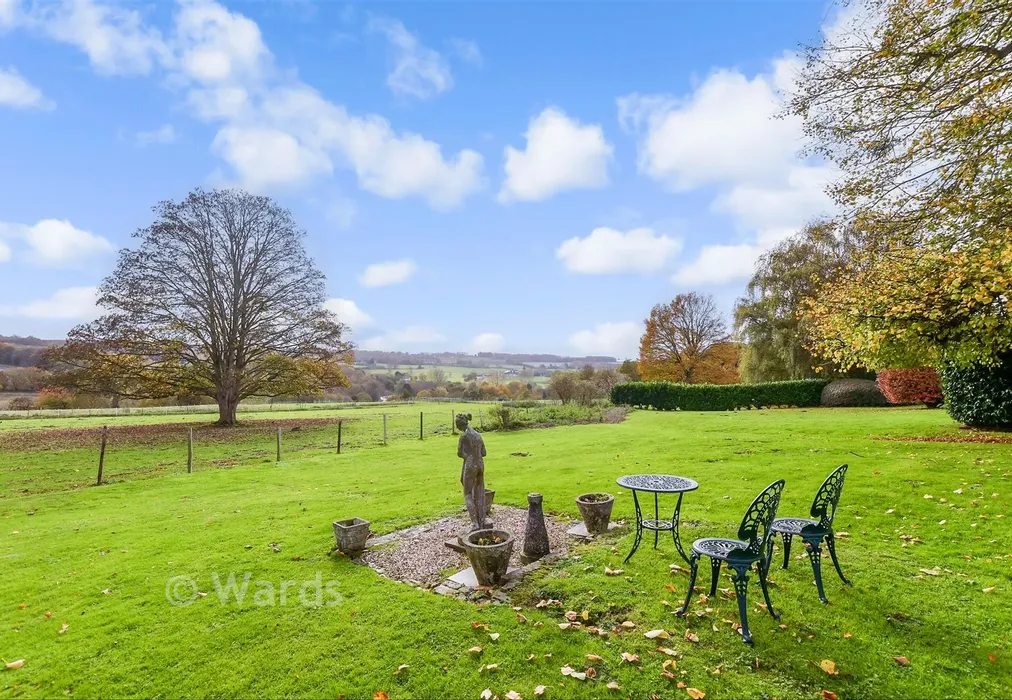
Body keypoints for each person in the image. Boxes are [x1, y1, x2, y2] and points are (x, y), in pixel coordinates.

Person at [456, 412, 486, 531]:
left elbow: (459, 453)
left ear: (459, 424)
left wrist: (468, 455)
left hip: (470, 465)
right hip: (480, 464)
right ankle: (481, 519)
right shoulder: (478, 435)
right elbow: (484, 453)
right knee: (479, 492)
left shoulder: (464, 436)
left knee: (467, 493)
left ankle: (474, 523)